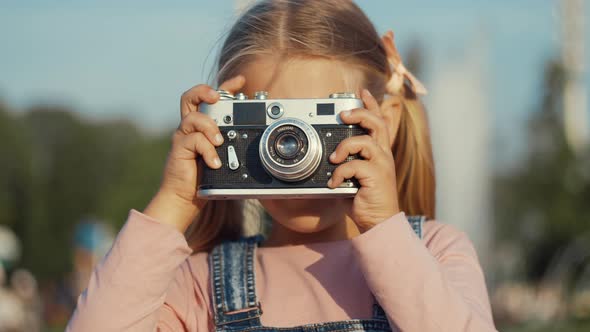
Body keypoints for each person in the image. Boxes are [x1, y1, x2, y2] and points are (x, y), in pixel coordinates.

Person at [67, 0, 497, 331]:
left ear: (385, 122)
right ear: (225, 129)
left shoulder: (433, 253)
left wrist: (386, 230)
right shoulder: (198, 285)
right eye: (273, 126)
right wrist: (175, 203)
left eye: (319, 121)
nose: (291, 150)